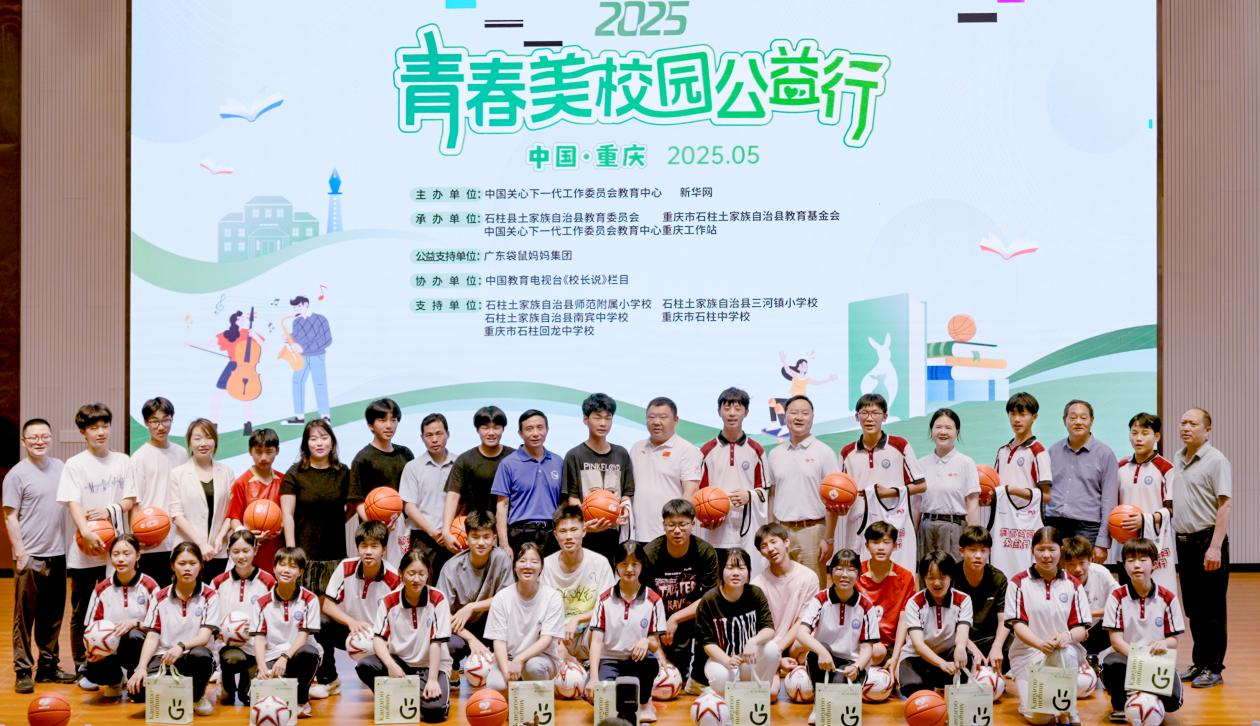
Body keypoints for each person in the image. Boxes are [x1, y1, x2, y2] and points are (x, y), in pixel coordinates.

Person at [58, 403, 134, 686]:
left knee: (114, 607)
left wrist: (108, 511)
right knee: (82, 610)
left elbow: (130, 499)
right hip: (85, 549)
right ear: (83, 432)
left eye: (105, 426)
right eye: (94, 427)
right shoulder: (75, 464)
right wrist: (86, 532)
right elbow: (73, 502)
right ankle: (83, 663)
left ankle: (114, 662)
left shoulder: (123, 461)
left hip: (117, 551)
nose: (101, 432)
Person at [280, 419, 353, 698]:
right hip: (305, 558)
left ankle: (329, 676)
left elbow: (350, 507)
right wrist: (292, 553)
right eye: (313, 438)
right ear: (305, 443)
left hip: (334, 558)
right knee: (304, 618)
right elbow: (287, 514)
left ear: (332, 441)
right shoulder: (295, 473)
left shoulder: (342, 472)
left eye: (324, 437)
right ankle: (302, 675)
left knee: (327, 620)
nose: (319, 442)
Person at [4, 417, 75, 692]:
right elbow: (10, 517)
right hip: (30, 556)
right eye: (33, 437)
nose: (39, 441)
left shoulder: (61, 468)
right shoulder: (16, 475)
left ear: (51, 439)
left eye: (44, 436)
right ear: (24, 441)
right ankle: (23, 670)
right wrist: (20, 552)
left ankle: (47, 667)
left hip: (58, 554)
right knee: (25, 618)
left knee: (53, 615)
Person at [355, 550, 452, 723]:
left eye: (421, 573)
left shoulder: (438, 599)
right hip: (400, 663)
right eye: (411, 573)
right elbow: (378, 639)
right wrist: (391, 665)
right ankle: (398, 695)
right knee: (365, 665)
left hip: (430, 666)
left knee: (434, 712)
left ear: (428, 574)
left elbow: (436, 643)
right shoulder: (388, 601)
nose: (416, 579)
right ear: (401, 573)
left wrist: (432, 680)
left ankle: (414, 693)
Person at [1172, 407, 1231, 688]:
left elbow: (1225, 505)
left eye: (1193, 424)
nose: (1186, 427)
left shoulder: (1216, 460)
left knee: (1213, 609)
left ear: (1207, 430)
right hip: (1184, 543)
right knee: (1194, 608)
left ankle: (1214, 667)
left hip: (1208, 542)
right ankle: (1200, 662)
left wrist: (1215, 547)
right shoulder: (1177, 457)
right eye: (1183, 422)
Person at [1005, 527, 1089, 725]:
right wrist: (1040, 644)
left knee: (1065, 652)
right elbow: (1018, 625)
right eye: (1040, 549)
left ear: (1061, 550)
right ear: (1032, 550)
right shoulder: (1018, 583)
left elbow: (1081, 629)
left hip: (1062, 653)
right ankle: (1033, 705)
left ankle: (1068, 710)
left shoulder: (1073, 584)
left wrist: (1067, 637)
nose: (1046, 555)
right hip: (1027, 655)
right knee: (1040, 720)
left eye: (1052, 549)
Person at [126, 542, 220, 717]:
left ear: (200, 566)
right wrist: (141, 667)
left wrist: (181, 646)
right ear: (172, 566)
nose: (187, 568)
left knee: (201, 655)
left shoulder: (210, 595)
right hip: (165, 657)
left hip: (193, 655)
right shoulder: (159, 597)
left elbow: (204, 637)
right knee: (138, 692)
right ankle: (178, 694)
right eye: (182, 563)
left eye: (192, 563)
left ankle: (197, 696)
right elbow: (152, 636)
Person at [1101, 538, 1185, 722]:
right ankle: (1120, 704)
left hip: (1156, 661)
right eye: (1131, 560)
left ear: (1154, 564)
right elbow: (1116, 641)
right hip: (1127, 658)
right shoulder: (1117, 596)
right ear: (1124, 566)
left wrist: (1164, 643)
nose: (1137, 565)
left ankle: (1145, 693)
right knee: (1110, 664)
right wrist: (1139, 659)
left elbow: (1173, 640)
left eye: (1143, 559)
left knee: (1174, 701)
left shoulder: (1168, 598)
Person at [642, 498, 719, 695]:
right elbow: (644, 601)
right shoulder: (650, 553)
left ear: (693, 524)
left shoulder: (705, 552)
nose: (677, 530)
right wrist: (660, 626)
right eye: (671, 525)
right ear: (663, 525)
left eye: (683, 525)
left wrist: (675, 618)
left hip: (690, 617)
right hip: (658, 619)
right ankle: (662, 667)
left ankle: (699, 678)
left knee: (714, 614)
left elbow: (709, 598)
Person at [318, 520, 402, 698]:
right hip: (350, 628)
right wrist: (351, 622)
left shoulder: (394, 578)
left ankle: (387, 681)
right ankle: (329, 680)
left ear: (384, 549)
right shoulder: (345, 567)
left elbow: (398, 621)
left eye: (374, 546)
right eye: (364, 546)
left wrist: (381, 640)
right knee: (320, 623)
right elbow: (327, 605)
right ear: (357, 548)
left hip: (378, 637)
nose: (368, 551)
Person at [796, 548, 879, 725]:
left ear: (859, 574)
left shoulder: (866, 606)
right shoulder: (820, 599)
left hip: (852, 663)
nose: (844, 575)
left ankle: (833, 700)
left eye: (851, 569)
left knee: (837, 707)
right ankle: (819, 702)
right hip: (824, 659)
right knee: (818, 650)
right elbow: (801, 633)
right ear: (831, 572)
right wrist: (822, 652)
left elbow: (867, 647)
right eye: (839, 569)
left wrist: (857, 666)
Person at [586, 541, 666, 723]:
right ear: (616, 565)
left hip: (636, 661)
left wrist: (646, 641)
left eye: (635, 564)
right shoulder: (604, 599)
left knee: (650, 662)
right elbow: (596, 641)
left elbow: (655, 644)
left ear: (642, 565)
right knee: (600, 699)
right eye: (624, 564)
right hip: (609, 660)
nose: (629, 569)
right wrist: (594, 678)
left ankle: (645, 703)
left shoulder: (654, 600)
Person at [696, 388, 772, 578]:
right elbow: (700, 492)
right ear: (719, 411)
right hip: (716, 530)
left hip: (746, 531)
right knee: (717, 579)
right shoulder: (706, 451)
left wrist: (749, 495)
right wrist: (707, 516)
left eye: (738, 408)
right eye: (727, 408)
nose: (732, 413)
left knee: (746, 579)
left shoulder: (756, 450)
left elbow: (765, 489)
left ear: (746, 412)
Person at [766, 394, 839, 586]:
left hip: (813, 531)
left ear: (812, 418)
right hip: (781, 531)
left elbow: (834, 499)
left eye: (805, 413)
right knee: (781, 586)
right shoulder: (775, 454)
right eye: (794, 412)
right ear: (785, 417)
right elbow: (772, 493)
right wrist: (771, 531)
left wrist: (829, 539)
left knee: (812, 589)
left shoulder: (825, 452)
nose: (799, 417)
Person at [82, 535, 160, 700]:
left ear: (137, 556)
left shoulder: (150, 586)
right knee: (92, 666)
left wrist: (135, 623)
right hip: (111, 650)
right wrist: (92, 649)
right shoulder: (102, 589)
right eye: (116, 554)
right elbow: (90, 627)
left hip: (140, 650)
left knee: (133, 636)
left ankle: (135, 676)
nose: (121, 559)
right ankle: (115, 681)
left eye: (126, 553)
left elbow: (160, 627)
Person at [434, 510, 515, 669]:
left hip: (488, 621)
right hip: (459, 625)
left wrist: (472, 607)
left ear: (494, 539)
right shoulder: (451, 568)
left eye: (486, 537)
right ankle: (453, 673)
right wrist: (471, 639)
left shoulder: (501, 558)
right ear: (466, 539)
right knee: (450, 645)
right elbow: (441, 614)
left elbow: (508, 598)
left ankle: (504, 671)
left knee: (514, 632)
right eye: (475, 537)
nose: (481, 542)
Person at [482, 542, 566, 690]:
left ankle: (539, 698)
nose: (528, 566)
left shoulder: (552, 596)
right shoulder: (501, 597)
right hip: (509, 658)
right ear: (514, 566)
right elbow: (499, 640)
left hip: (542, 659)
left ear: (542, 567)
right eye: (522, 561)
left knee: (534, 668)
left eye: (534, 562)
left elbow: (546, 639)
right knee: (496, 685)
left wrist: (520, 659)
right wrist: (506, 672)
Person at [563, 393, 635, 565]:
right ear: (585, 419)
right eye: (597, 417)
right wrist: (585, 524)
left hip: (615, 533)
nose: (603, 423)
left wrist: (624, 510)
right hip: (587, 532)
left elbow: (627, 493)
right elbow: (572, 497)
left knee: (612, 577)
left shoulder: (621, 454)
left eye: (608, 418)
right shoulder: (574, 455)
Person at [251, 546, 323, 719]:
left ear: (300, 572)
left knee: (309, 653)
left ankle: (302, 700)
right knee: (257, 698)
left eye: (293, 566)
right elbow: (259, 638)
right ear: (274, 568)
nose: (286, 570)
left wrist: (285, 657)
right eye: (282, 564)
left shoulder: (310, 599)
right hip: (272, 656)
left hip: (298, 653)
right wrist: (261, 666)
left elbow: (303, 636)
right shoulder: (261, 602)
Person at [696, 548, 778, 696]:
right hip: (721, 660)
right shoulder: (709, 600)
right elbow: (707, 643)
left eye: (741, 568)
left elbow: (769, 628)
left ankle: (759, 696)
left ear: (748, 572)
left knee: (772, 649)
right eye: (730, 568)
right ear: (721, 571)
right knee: (721, 677)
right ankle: (725, 699)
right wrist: (727, 660)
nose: (736, 573)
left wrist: (753, 641)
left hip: (750, 659)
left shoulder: (755, 594)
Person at [541, 504, 616, 664]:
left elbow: (607, 607)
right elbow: (540, 611)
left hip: (589, 632)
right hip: (557, 636)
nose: (568, 536)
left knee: (606, 627)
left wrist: (577, 619)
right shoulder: (546, 566)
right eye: (563, 531)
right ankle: (572, 664)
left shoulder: (600, 563)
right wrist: (555, 637)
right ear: (555, 534)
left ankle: (592, 665)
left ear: (584, 530)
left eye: (574, 530)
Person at [1046, 400, 1119, 561]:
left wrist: (1102, 542)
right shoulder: (1052, 451)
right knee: (1054, 572)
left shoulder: (1105, 454)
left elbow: (1109, 500)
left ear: (1091, 421)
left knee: (1083, 573)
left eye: (1083, 417)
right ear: (1064, 420)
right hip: (1054, 523)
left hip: (1087, 527)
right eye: (1073, 417)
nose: (1078, 422)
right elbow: (1045, 491)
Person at [894, 551, 973, 698]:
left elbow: (963, 631)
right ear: (924, 578)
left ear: (951, 577)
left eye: (942, 577)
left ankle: (941, 686)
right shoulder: (914, 603)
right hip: (917, 657)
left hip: (947, 653)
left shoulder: (963, 600)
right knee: (913, 687)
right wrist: (941, 663)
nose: (937, 583)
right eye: (931, 578)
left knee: (965, 661)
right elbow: (918, 644)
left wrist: (961, 647)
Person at [1113, 413, 1177, 592]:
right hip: (1124, 543)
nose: (1138, 438)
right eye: (1134, 433)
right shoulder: (1120, 467)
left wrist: (1145, 519)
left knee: (1155, 593)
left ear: (1157, 436)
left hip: (1154, 543)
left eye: (1144, 433)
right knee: (1128, 593)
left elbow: (1172, 509)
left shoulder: (1166, 468)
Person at [127, 397, 188, 584]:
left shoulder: (181, 453)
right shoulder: (139, 458)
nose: (161, 427)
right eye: (154, 421)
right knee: (152, 592)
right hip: (151, 538)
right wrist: (137, 538)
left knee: (176, 594)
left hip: (178, 537)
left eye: (165, 420)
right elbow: (135, 503)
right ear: (146, 423)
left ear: (172, 420)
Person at [212, 530, 275, 706]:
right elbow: (211, 613)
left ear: (255, 550)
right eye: (236, 551)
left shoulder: (268, 581)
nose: (241, 556)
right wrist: (219, 631)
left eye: (246, 551)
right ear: (228, 552)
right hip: (229, 645)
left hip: (257, 646)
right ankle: (227, 686)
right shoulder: (218, 582)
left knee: (249, 699)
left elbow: (272, 615)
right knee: (232, 659)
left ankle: (247, 684)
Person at [349, 398, 415, 564]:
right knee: (377, 572)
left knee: (402, 569)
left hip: (402, 526)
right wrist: (377, 527)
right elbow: (357, 500)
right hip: (374, 530)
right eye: (382, 420)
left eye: (393, 420)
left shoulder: (405, 454)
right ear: (371, 425)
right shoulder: (362, 458)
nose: (389, 425)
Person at [168, 419, 235, 583]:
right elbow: (176, 515)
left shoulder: (227, 471)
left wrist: (220, 537)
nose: (203, 443)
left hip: (218, 550)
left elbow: (231, 510)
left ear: (215, 441)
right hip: (188, 551)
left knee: (216, 595)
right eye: (197, 438)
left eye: (208, 437)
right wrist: (201, 544)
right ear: (190, 442)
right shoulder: (178, 474)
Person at [630, 397, 702, 545]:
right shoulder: (636, 448)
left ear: (676, 420)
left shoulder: (687, 450)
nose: (656, 422)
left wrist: (678, 527)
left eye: (663, 417)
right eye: (651, 417)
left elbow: (691, 492)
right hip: (638, 533)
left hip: (671, 535)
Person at [750, 523, 819, 674]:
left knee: (810, 639)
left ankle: (792, 667)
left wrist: (779, 649)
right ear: (761, 553)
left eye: (773, 542)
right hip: (769, 645)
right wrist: (774, 652)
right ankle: (782, 666)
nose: (770, 549)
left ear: (786, 542)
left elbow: (804, 620)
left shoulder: (809, 577)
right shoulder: (757, 585)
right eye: (764, 546)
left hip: (794, 642)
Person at [492, 409, 564, 555]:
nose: (535, 433)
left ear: (547, 430)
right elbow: (502, 506)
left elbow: (564, 503)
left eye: (540, 427)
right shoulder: (508, 463)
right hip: (520, 534)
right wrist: (504, 544)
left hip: (552, 534)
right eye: (529, 429)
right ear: (520, 433)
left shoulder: (558, 462)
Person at [442, 406, 513, 552]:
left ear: (503, 429)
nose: (491, 432)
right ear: (477, 430)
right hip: (475, 532)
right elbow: (453, 496)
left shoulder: (514, 457)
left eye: (497, 427)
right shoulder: (465, 460)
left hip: (509, 532)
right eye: (485, 428)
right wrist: (446, 530)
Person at [915, 408, 981, 560]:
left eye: (948, 428)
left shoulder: (966, 463)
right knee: (926, 571)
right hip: (926, 528)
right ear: (931, 430)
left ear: (957, 432)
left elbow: (972, 503)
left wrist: (972, 538)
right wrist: (913, 531)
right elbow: (916, 504)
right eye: (938, 427)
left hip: (955, 528)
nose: (943, 432)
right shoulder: (921, 464)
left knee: (954, 572)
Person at [400, 413, 456, 582]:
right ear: (422, 438)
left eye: (439, 433)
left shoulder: (460, 463)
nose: (434, 439)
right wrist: (433, 532)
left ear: (448, 434)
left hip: (453, 536)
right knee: (421, 584)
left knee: (453, 584)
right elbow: (409, 506)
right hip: (423, 537)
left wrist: (448, 531)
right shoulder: (413, 467)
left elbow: (463, 501)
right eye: (429, 435)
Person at [839, 393, 926, 501]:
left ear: (885, 417)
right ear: (857, 417)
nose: (869, 418)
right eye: (864, 413)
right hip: (859, 512)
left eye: (875, 413)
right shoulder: (846, 452)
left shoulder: (900, 445)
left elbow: (921, 486)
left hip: (893, 512)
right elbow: (840, 489)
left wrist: (889, 493)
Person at [224, 428, 285, 572]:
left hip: (277, 549)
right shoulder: (241, 483)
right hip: (250, 552)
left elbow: (289, 514)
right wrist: (247, 534)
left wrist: (282, 524)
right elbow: (234, 518)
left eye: (269, 452)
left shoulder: (284, 481)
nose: (263, 457)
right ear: (250, 451)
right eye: (258, 452)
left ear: (277, 451)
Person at [855, 521, 914, 665]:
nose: (881, 547)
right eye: (875, 542)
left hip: (891, 646)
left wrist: (895, 657)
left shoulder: (905, 577)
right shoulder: (855, 574)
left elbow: (904, 619)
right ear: (867, 545)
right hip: (859, 644)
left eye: (886, 542)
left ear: (895, 545)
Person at [954, 526, 1009, 673]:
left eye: (983, 551)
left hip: (989, 639)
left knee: (1011, 646)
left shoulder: (998, 578)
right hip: (960, 638)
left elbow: (1003, 619)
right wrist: (971, 647)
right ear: (962, 552)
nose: (978, 556)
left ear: (989, 552)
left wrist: (997, 647)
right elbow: (948, 623)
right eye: (972, 550)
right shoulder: (952, 576)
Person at [1061, 535, 1118, 663]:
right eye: (1071, 564)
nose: (1077, 569)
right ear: (1063, 564)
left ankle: (1099, 659)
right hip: (1068, 630)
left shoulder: (1101, 573)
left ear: (1090, 559)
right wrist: (1078, 627)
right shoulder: (1059, 579)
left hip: (1097, 628)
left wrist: (1087, 616)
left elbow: (1120, 604)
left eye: (1082, 562)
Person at [208, 311, 263, 435]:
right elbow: (209, 343)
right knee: (218, 393)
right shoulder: (226, 334)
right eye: (240, 318)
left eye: (243, 318)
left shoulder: (248, 333)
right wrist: (191, 343)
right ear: (235, 321)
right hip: (233, 366)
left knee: (247, 396)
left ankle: (248, 426)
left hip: (248, 367)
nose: (243, 320)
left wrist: (256, 336)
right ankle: (213, 424)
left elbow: (265, 346)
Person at [995, 392, 1053, 504]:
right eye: (1012, 414)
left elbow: (1046, 497)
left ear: (1034, 417)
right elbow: (996, 488)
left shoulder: (1038, 450)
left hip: (1027, 515)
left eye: (1022, 414)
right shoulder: (1002, 451)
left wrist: (1013, 491)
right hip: (1002, 514)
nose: (1016, 419)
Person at [284, 295, 333, 425]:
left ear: (306, 304)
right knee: (297, 382)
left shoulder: (321, 319)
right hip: (302, 357)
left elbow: (327, 339)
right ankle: (299, 417)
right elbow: (298, 337)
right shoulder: (296, 322)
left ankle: (325, 416)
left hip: (317, 356)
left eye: (299, 306)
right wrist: (289, 338)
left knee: (320, 384)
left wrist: (303, 347)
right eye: (295, 307)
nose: (296, 309)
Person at [986, 473, 1044, 581]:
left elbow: (1047, 496)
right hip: (999, 581)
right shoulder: (1000, 497)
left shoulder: (1037, 498)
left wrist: (1010, 489)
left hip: (1030, 582)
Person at [764, 352, 837, 437]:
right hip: (792, 399)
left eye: (806, 366)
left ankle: (785, 428)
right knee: (772, 401)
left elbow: (817, 383)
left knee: (779, 407)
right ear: (798, 367)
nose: (805, 367)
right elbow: (787, 369)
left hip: (800, 401)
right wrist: (783, 359)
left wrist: (829, 379)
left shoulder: (807, 379)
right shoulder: (795, 375)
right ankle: (773, 425)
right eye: (803, 365)